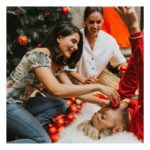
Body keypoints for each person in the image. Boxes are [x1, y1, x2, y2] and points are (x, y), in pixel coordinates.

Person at [7, 21, 120, 143]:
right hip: (7, 103)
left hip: (23, 102)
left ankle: (23, 132)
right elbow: (56, 90)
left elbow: (72, 90)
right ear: (59, 38)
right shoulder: (39, 55)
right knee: (43, 142)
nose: (76, 47)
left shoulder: (57, 63)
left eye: (77, 44)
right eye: (73, 41)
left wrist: (102, 101)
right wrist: (97, 87)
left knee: (61, 105)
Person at [78, 7, 144, 142]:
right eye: (103, 116)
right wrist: (134, 30)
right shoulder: (140, 132)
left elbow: (130, 82)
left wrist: (141, 40)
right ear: (118, 131)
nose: (103, 106)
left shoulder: (125, 116)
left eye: (99, 111)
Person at [65, 7, 127, 85]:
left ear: (103, 21)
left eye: (98, 22)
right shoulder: (76, 39)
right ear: (85, 22)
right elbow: (68, 68)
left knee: (119, 93)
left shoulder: (110, 41)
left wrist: (123, 66)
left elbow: (121, 62)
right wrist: (84, 80)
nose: (95, 26)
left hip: (97, 79)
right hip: (75, 81)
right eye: (91, 22)